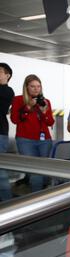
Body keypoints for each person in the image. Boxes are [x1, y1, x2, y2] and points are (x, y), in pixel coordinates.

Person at [11, 74, 55, 192]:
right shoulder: (18, 100)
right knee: (35, 170)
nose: (36, 89)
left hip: (44, 141)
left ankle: (42, 194)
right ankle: (37, 199)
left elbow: (50, 122)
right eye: (32, 86)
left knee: (43, 170)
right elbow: (14, 120)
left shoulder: (45, 102)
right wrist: (27, 108)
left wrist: (44, 112)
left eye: (38, 86)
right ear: (26, 87)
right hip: (25, 141)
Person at [0, 63, 14, 200]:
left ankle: (7, 201)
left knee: (1, 169)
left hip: (0, 133)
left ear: (7, 75)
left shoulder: (7, 91)